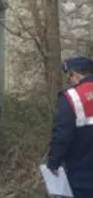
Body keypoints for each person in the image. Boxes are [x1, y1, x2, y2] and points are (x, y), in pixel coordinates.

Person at [47, 56, 93, 198]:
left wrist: (53, 162)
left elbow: (62, 135)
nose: (70, 81)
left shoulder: (71, 98)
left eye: (69, 77)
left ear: (75, 74)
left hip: (82, 173)